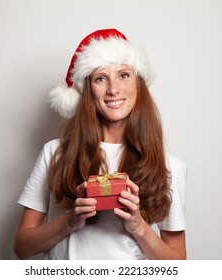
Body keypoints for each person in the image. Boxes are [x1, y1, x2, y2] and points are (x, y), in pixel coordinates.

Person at [14, 29, 188, 260]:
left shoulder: (169, 167)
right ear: (87, 91)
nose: (113, 89)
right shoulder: (55, 153)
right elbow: (22, 248)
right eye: (100, 78)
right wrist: (70, 221)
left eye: (124, 75)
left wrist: (139, 226)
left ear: (139, 84)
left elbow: (177, 263)